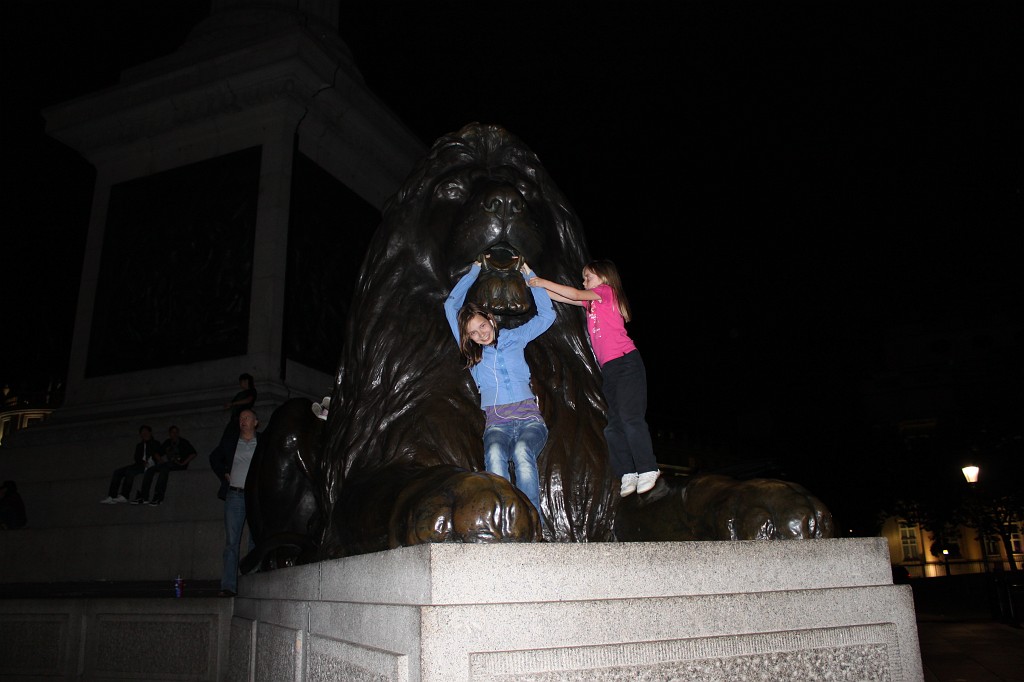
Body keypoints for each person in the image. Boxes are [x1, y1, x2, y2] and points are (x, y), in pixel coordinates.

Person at [529, 259, 660, 497]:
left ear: (604, 277)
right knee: (613, 427)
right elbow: (565, 297)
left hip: (626, 363)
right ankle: (627, 473)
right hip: (609, 369)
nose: (584, 281)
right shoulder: (591, 304)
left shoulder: (607, 292)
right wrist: (532, 283)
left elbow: (575, 292)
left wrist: (542, 281)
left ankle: (648, 468)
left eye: (588, 276)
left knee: (631, 419)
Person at [443, 256, 555, 515]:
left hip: (529, 420)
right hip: (497, 424)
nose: (481, 334)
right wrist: (474, 270)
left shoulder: (515, 337)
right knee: (494, 453)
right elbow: (450, 306)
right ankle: (504, 520)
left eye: (482, 325)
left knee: (523, 451)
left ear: (491, 320)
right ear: (468, 337)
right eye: (473, 332)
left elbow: (547, 315)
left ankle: (530, 519)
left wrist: (528, 273)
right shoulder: (473, 355)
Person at [215, 408, 259, 597]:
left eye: (247, 417)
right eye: (241, 417)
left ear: (256, 422)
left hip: (255, 496)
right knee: (232, 542)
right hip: (235, 495)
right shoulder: (232, 441)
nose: (243, 420)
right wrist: (224, 472)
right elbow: (214, 458)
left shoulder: (263, 441)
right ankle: (228, 586)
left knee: (255, 540)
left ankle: (252, 582)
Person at [209, 373, 257, 499]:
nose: (240, 384)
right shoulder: (240, 395)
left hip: (236, 425)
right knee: (223, 446)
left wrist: (233, 404)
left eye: (242, 381)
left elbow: (248, 400)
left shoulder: (251, 391)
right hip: (233, 421)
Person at [132, 425, 197, 505]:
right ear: (170, 434)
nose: (175, 434)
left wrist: (183, 463)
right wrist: (161, 461)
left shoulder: (183, 442)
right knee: (151, 469)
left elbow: (193, 453)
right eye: (173, 432)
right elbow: (156, 453)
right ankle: (144, 496)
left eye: (176, 432)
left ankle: (158, 497)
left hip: (179, 465)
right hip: (169, 464)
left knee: (164, 469)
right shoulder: (167, 442)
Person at [100, 425, 162, 504]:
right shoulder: (139, 445)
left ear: (150, 433)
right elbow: (137, 458)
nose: (144, 434)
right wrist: (142, 461)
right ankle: (111, 496)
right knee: (118, 472)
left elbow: (157, 454)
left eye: (146, 432)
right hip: (139, 464)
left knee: (130, 471)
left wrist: (149, 443)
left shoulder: (155, 443)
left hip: (149, 465)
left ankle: (124, 495)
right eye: (142, 433)